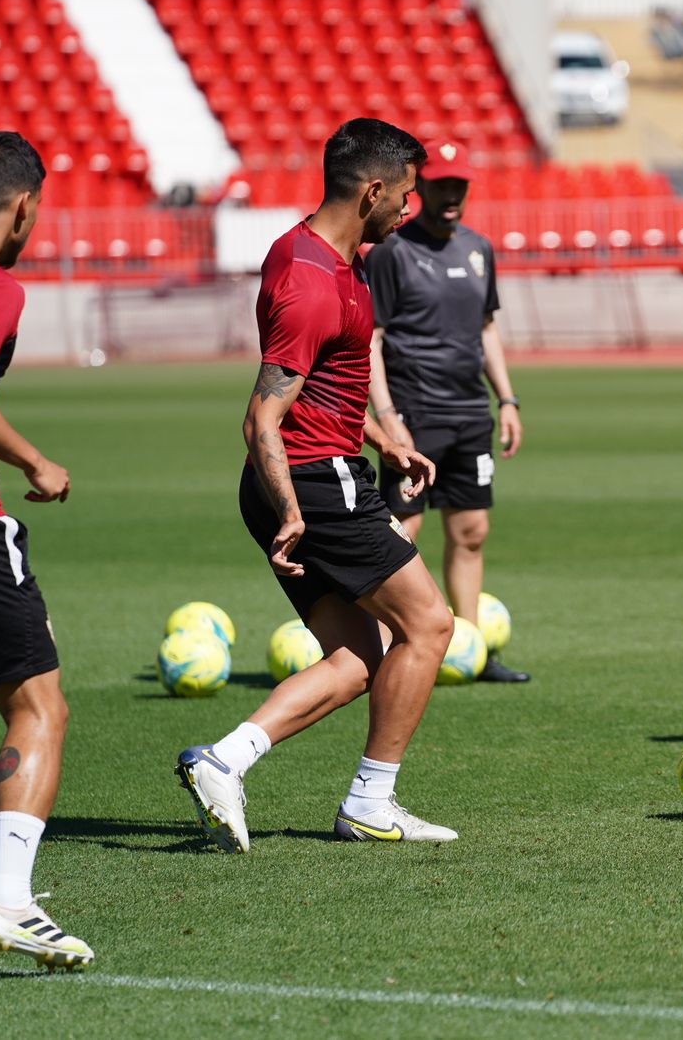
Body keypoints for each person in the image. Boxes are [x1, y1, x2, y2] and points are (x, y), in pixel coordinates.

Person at [175, 119, 459, 852]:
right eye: (405, 194)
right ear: (372, 191)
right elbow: (262, 417)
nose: (411, 207)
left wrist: (385, 438)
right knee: (429, 626)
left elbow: (325, 389)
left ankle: (223, 760)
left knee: (358, 658)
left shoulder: (334, 256)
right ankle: (372, 802)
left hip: (320, 470)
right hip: (312, 482)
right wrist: (296, 510)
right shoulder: (308, 280)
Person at [365, 139, 530, 683]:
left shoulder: (479, 248)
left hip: (469, 413)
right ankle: (378, 648)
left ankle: (472, 650)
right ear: (422, 188)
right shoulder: (391, 252)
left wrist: (506, 399)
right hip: (414, 413)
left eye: (461, 186)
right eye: (442, 186)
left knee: (472, 531)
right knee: (401, 529)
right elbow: (373, 340)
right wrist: (387, 415)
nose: (453, 195)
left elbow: (486, 329)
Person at [0, 131, 92, 968]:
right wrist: (34, 461)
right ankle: (7, 900)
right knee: (37, 706)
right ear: (23, 204)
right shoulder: (0, 292)